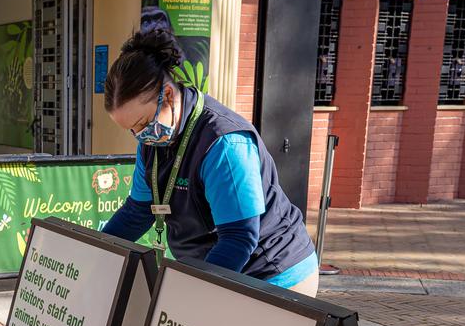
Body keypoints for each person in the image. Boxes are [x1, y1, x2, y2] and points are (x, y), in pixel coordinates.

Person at [101, 29, 319, 296]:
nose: (141, 136)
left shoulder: (224, 143)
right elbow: (138, 212)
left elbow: (239, 238)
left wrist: (193, 292)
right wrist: (98, 249)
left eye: (144, 124)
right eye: (132, 130)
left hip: (273, 273)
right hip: (215, 268)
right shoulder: (152, 143)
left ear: (168, 96)